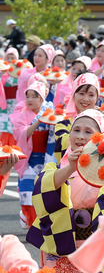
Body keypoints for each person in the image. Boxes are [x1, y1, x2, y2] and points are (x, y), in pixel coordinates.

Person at [26, 109, 104, 273]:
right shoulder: (56, 167)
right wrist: (71, 167)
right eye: (76, 130)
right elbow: (43, 187)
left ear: (101, 137)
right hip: (60, 241)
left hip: (91, 244)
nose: (80, 136)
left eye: (88, 132)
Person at [10, 78, 54, 228]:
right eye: (28, 96)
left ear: (42, 97)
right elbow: (20, 134)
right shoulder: (23, 115)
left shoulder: (50, 111)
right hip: (29, 159)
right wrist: (38, 122)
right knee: (27, 192)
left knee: (45, 194)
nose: (30, 99)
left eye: (34, 96)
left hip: (47, 158)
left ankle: (41, 225)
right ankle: (32, 222)